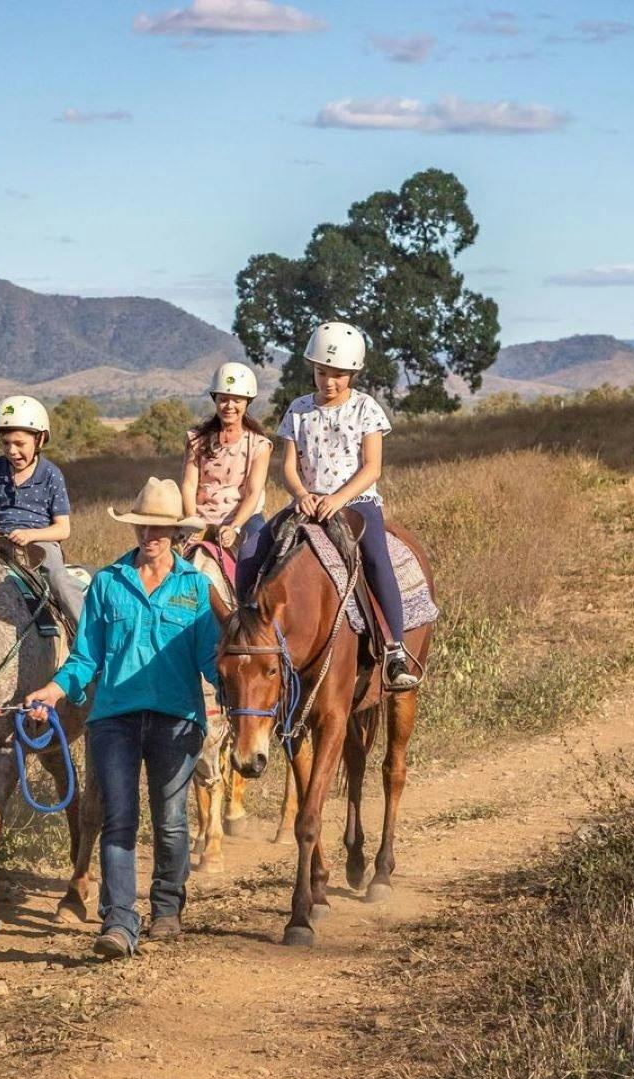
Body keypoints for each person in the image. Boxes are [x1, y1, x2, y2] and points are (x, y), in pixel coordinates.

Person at [23, 477, 217, 960]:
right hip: (114, 719)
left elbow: (212, 661)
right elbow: (85, 656)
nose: (150, 536)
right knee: (119, 820)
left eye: (160, 529)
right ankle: (119, 922)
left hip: (177, 719)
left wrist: (244, 688)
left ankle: (168, 908)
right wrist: (52, 689)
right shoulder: (109, 583)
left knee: (171, 823)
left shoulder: (197, 589)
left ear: (176, 533)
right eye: (143, 526)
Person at [276, 321, 419, 691]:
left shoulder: (365, 408)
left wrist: (338, 499)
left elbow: (372, 467)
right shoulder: (297, 409)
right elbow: (289, 466)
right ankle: (250, 638)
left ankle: (394, 650)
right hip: (308, 504)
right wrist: (301, 494)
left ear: (352, 373)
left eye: (338, 375)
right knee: (261, 550)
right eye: (322, 372)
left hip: (355, 501)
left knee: (374, 557)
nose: (329, 382)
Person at [0, 395, 82, 622]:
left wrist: (31, 535)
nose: (11, 450)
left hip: (40, 543)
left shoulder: (51, 475)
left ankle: (87, 634)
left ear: (39, 440)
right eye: (5, 443)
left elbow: (62, 529)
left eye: (20, 444)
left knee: (59, 580)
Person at [180, 361, 272, 587]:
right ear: (215, 400)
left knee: (261, 562)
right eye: (223, 399)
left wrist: (235, 527)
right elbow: (189, 485)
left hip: (242, 517)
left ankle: (257, 616)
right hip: (200, 517)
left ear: (247, 402)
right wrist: (192, 522)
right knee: (160, 559)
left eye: (237, 400)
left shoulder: (259, 445)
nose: (229, 405)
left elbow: (253, 493)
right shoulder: (197, 440)